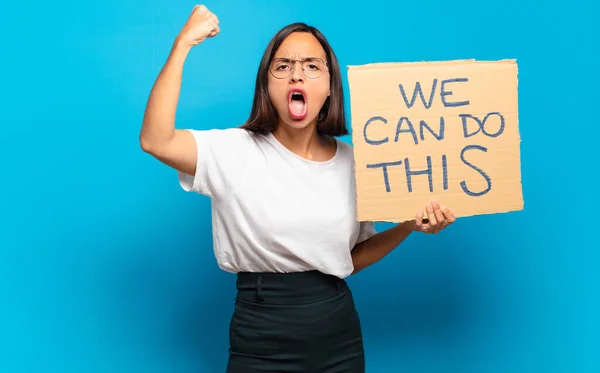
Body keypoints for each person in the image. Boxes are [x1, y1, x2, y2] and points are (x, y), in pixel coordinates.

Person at [139, 4, 456, 372]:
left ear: (329, 87)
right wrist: (183, 44)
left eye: (311, 66)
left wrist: (408, 226)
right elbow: (155, 140)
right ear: (267, 84)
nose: (297, 76)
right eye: (283, 66)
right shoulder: (233, 150)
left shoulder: (357, 163)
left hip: (338, 334)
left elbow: (351, 258)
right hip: (260, 333)